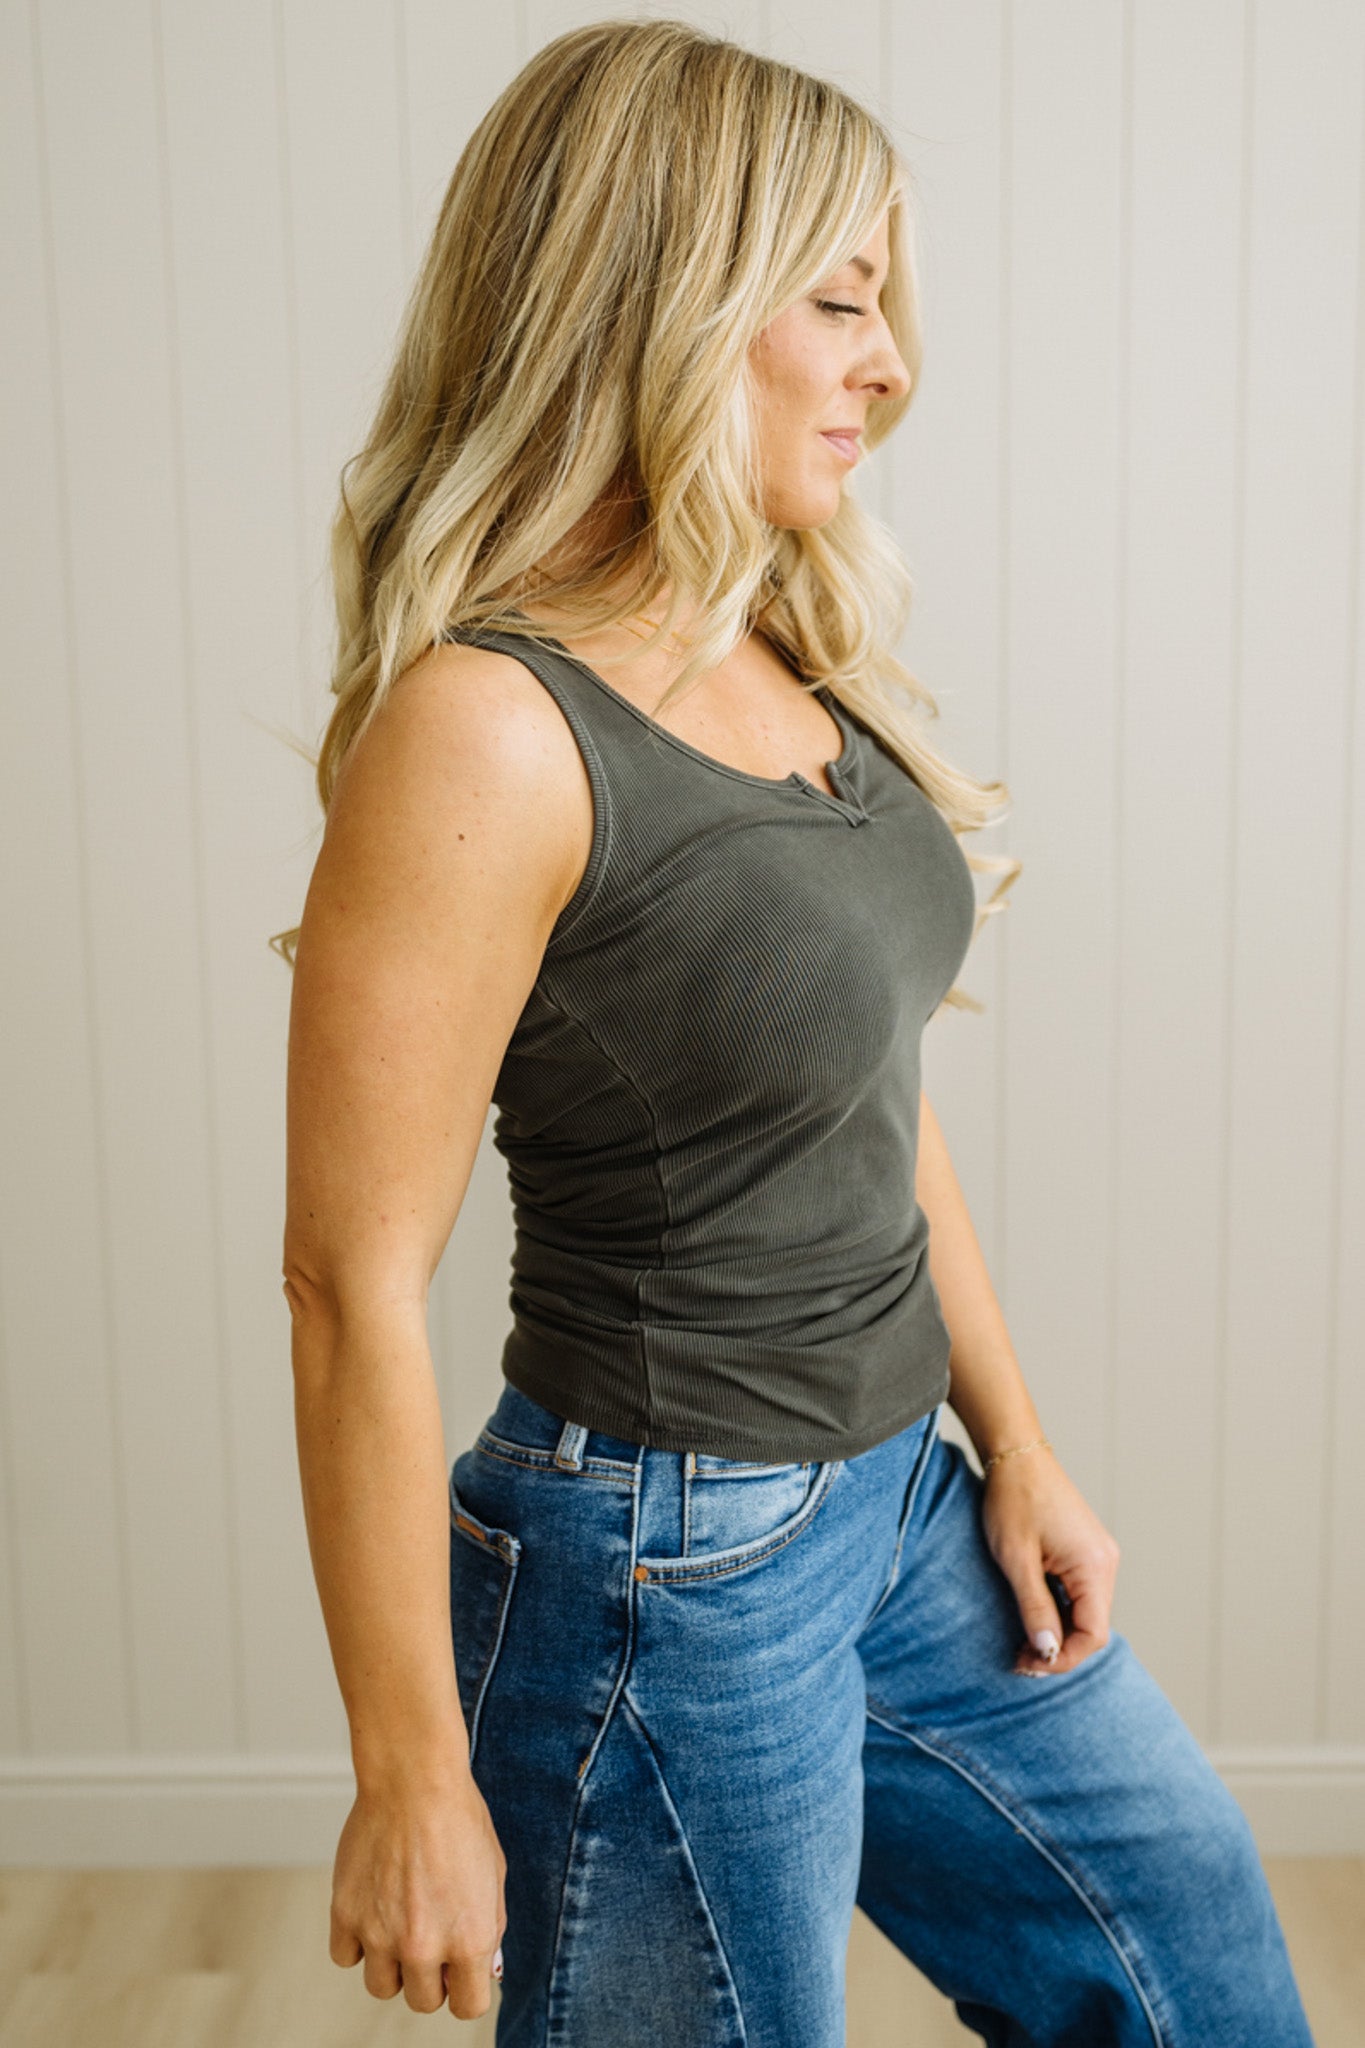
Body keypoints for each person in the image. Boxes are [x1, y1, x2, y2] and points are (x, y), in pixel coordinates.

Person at [275, 19, 1317, 2045]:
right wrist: (408, 1768)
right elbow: (345, 1280)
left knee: (1184, 1968)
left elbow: (871, 1094)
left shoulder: (770, 644)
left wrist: (1014, 1448)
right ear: (658, 296)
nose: (887, 362)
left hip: (894, 1499)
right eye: (837, 299)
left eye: (885, 305)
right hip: (659, 1565)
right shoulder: (489, 725)